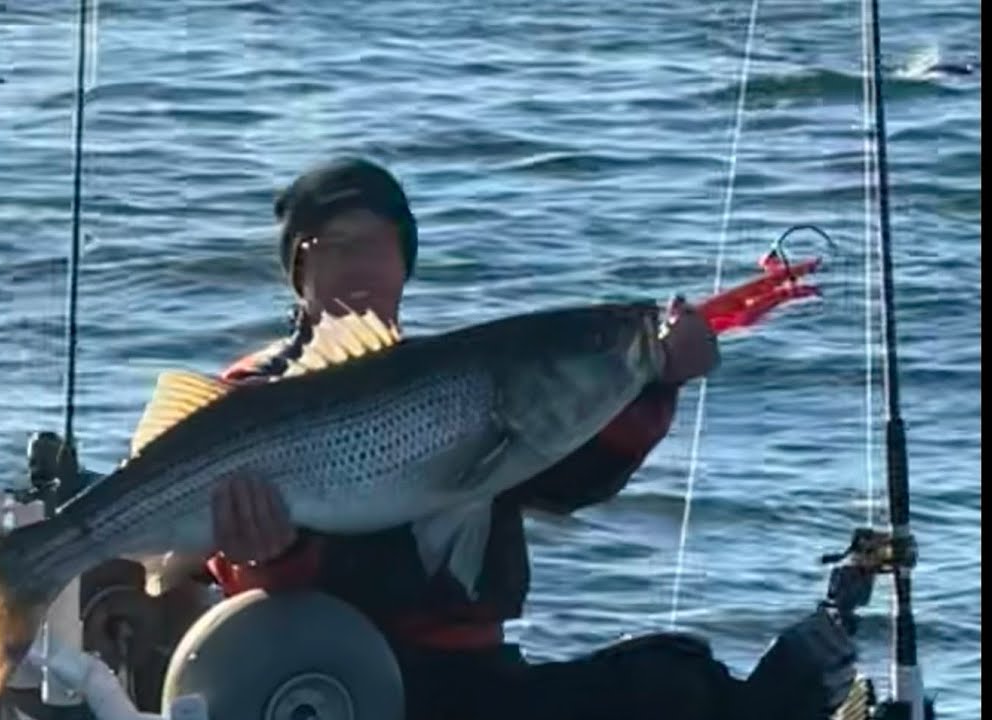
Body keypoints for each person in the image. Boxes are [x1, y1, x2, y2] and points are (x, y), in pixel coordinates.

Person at [194, 157, 848, 720]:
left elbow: (568, 477)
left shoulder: (454, 378)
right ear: (298, 269)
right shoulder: (253, 394)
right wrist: (267, 556)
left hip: (474, 677)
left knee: (672, 679)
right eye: (334, 246)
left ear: (405, 259)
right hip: (321, 684)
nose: (359, 264)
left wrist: (653, 383)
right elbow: (234, 569)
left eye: (377, 244)